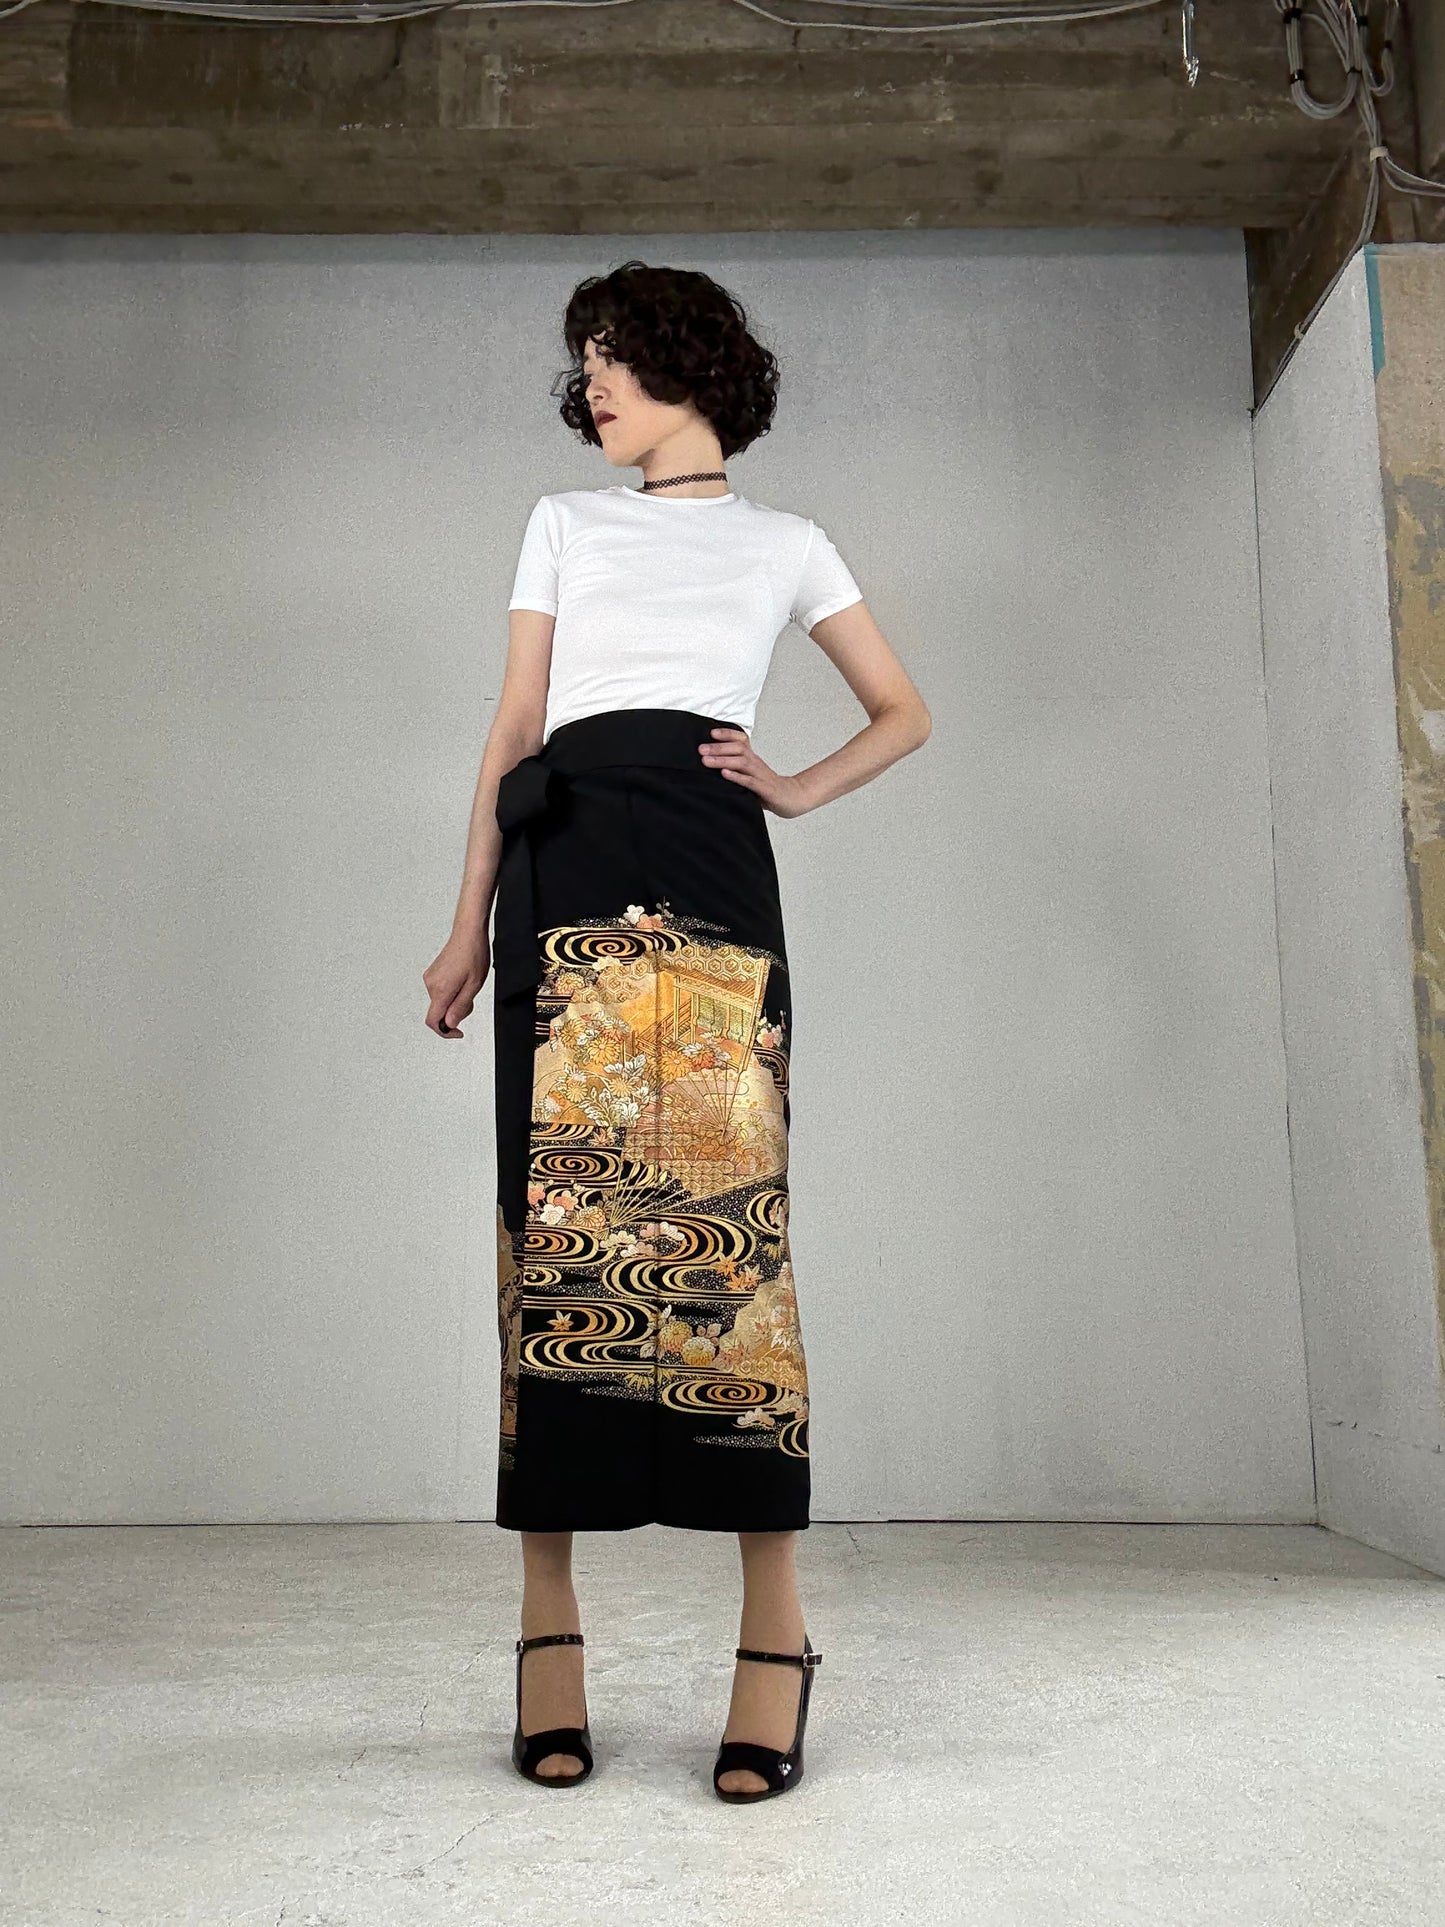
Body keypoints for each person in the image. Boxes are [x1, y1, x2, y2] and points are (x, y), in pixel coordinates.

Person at [423, 260, 930, 1801]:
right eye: (581, 362)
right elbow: (515, 727)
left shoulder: (787, 543)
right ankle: (547, 1626)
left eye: (612, 357)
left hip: (711, 871)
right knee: (562, 1227)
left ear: (686, 363)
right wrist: (465, 920)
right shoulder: (564, 522)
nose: (589, 385)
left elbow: (902, 710)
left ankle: (774, 1634)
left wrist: (793, 786)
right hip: (563, 867)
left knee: (723, 1231)